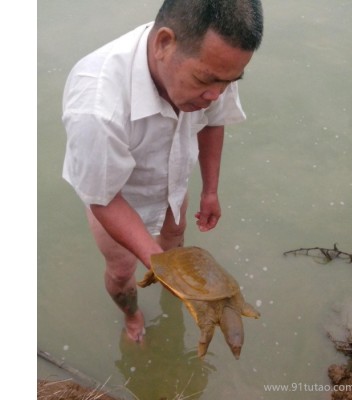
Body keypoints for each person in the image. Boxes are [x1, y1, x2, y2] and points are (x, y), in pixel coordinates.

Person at [62, 0, 263, 342]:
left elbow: (213, 122)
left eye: (229, 82)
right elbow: (103, 198)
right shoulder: (96, 106)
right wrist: (163, 266)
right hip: (116, 197)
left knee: (175, 242)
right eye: (206, 81)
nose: (215, 95)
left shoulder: (216, 67)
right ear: (163, 44)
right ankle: (132, 316)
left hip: (173, 183)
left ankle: (174, 302)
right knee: (123, 271)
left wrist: (210, 189)